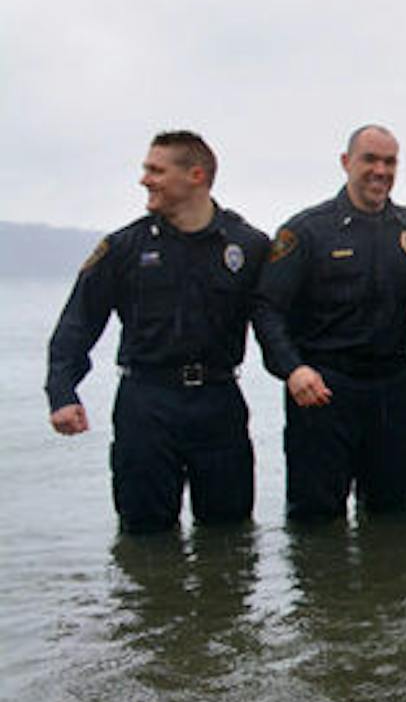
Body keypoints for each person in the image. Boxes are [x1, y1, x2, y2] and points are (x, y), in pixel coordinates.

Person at [46, 131, 273, 532]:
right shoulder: (123, 248)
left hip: (218, 402)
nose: (145, 179)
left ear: (195, 176)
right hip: (146, 404)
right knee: (144, 537)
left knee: (229, 536)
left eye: (156, 170)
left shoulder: (249, 246)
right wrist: (62, 393)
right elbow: (77, 325)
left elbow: (276, 321)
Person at [256, 124, 406, 521]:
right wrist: (292, 369)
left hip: (392, 388)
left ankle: (390, 585)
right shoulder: (306, 231)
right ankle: (323, 586)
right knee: (315, 519)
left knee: (397, 520)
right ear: (345, 162)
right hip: (323, 389)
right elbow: (267, 307)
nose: (380, 171)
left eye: (390, 162)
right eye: (370, 159)